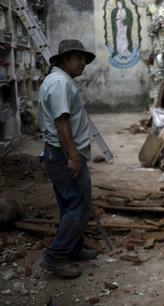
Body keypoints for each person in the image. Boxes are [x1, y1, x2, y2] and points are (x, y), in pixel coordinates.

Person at [37, 39, 97, 278]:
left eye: (84, 59)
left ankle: (72, 248)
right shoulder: (60, 82)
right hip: (64, 154)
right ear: (64, 60)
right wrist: (73, 155)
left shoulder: (58, 80)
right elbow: (61, 122)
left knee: (68, 203)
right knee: (79, 205)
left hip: (57, 153)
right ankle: (55, 257)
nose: (83, 63)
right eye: (78, 58)